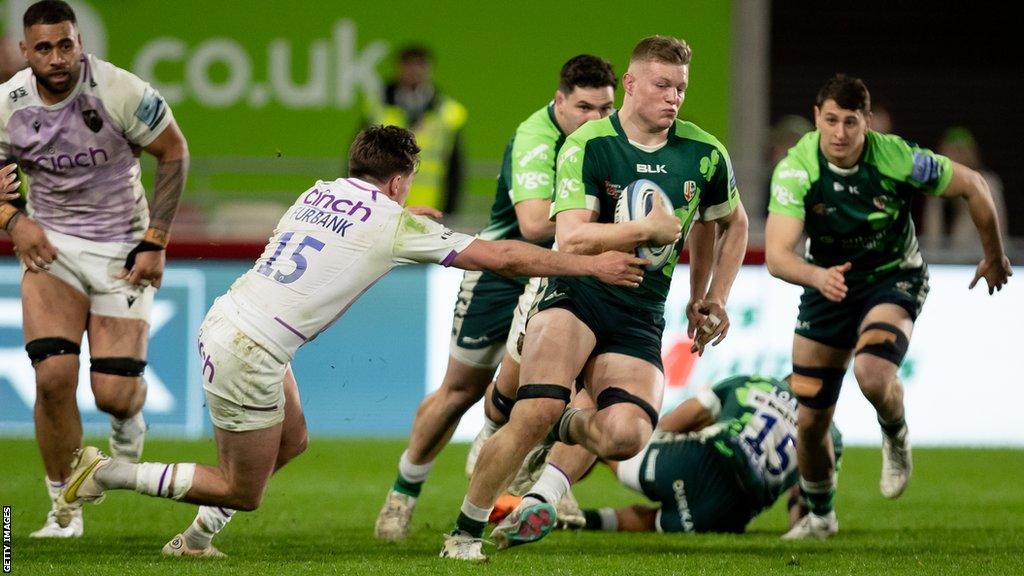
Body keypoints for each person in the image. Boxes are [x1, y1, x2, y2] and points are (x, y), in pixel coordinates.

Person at [55, 125, 647, 557]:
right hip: (251, 352)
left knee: (294, 441)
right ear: (396, 181)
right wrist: (590, 266)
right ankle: (106, 473)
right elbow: (501, 256)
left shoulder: (318, 192)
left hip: (234, 321)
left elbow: (363, 225)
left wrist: (411, 214)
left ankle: (194, 542)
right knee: (243, 487)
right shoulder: (394, 222)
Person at [441, 35, 749, 561]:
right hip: (576, 295)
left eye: (680, 88)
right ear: (630, 84)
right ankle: (464, 533)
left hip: (640, 312)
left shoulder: (704, 152)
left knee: (627, 435)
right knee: (532, 409)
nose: (673, 97)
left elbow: (728, 223)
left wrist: (708, 297)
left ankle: (562, 425)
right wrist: (643, 230)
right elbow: (571, 237)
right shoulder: (589, 143)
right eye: (661, 85)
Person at [374, 54, 618, 541]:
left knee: (566, 387)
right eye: (585, 107)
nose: (596, 119)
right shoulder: (536, 137)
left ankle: (542, 479)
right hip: (504, 270)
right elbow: (531, 225)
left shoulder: (614, 139)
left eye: (606, 108)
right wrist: (620, 228)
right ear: (560, 101)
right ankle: (403, 493)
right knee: (458, 391)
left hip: (564, 276)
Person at [765, 74, 1012, 540]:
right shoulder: (798, 168)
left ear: (867, 122)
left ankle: (895, 431)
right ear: (817, 118)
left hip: (893, 277)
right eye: (831, 120)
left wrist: (994, 255)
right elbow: (778, 255)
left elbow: (974, 185)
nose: (839, 133)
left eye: (851, 122)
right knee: (811, 420)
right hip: (827, 284)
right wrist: (818, 276)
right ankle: (820, 517)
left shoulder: (896, 157)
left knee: (872, 373)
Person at [0, 0, 189, 539]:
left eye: (66, 44)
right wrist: (14, 220)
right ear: (24, 52)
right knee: (53, 378)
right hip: (51, 249)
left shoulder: (119, 90)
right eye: (43, 48)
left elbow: (173, 150)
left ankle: (129, 419)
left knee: (113, 394)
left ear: (80, 42)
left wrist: (156, 240)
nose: (57, 58)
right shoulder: (7, 104)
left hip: (121, 249)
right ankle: (64, 508)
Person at [519, 375, 842, 535]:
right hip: (731, 514)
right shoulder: (831, 435)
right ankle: (578, 521)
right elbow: (804, 504)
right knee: (651, 522)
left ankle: (542, 485)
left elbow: (674, 424)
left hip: (703, 461)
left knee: (606, 440)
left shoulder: (753, 382)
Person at [363, 45, 466, 214]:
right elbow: (359, 156)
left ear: (429, 69)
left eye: (420, 65)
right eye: (408, 65)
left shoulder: (447, 112)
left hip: (429, 204)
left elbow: (455, 165)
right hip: (381, 203)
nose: (414, 70)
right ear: (398, 68)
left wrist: (450, 209)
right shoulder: (377, 106)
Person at [922, 127, 1007, 250]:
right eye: (948, 152)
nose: (954, 158)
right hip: (948, 261)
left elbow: (962, 245)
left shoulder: (986, 183)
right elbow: (931, 242)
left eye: (959, 152)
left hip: (980, 256)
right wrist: (935, 194)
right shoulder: (939, 181)